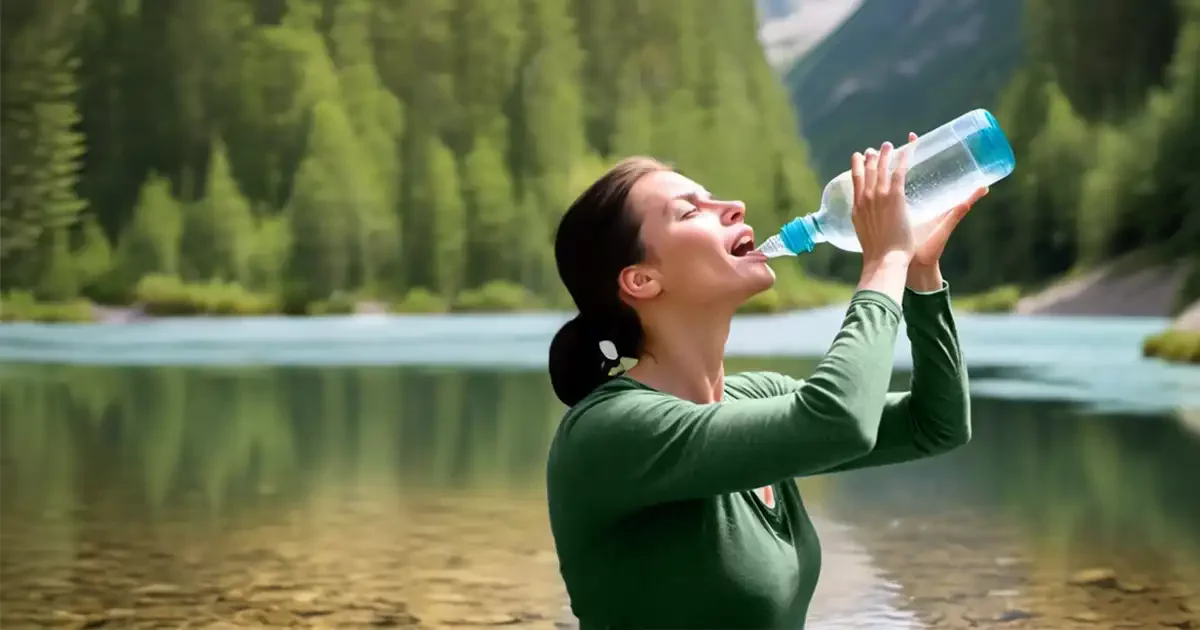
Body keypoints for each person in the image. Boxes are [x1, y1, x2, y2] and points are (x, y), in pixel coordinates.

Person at [544, 135, 988, 629]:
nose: (734, 206)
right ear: (641, 280)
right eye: (690, 212)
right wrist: (884, 263)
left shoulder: (757, 396)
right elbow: (840, 420)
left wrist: (919, 272)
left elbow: (937, 423)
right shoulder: (609, 431)